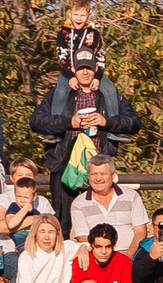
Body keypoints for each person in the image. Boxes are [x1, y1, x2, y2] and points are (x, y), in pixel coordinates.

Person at [31, 60, 142, 224]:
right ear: (73, 69)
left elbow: (134, 122)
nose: (85, 72)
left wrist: (107, 122)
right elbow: (36, 121)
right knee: (62, 222)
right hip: (65, 164)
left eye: (88, 68)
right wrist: (69, 122)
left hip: (98, 167)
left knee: (99, 222)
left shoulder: (107, 95)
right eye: (81, 68)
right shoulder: (60, 94)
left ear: (96, 69)